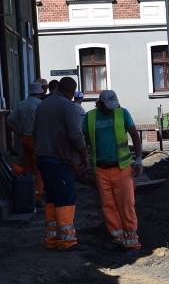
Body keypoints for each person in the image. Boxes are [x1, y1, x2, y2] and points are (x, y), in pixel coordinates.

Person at [33, 76, 89, 251]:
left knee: (51, 198)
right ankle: (66, 241)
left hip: (42, 158)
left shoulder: (43, 105)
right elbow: (75, 134)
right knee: (65, 198)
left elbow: (34, 132)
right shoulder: (68, 106)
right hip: (59, 160)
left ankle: (52, 239)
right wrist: (84, 153)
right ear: (72, 92)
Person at [83, 90, 143, 250]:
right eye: (108, 106)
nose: (111, 109)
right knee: (107, 205)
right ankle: (118, 237)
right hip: (101, 169)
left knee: (126, 204)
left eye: (113, 106)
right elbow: (85, 141)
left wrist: (138, 159)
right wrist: (85, 162)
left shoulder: (122, 113)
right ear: (100, 104)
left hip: (122, 168)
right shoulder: (90, 117)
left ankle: (131, 239)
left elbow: (135, 136)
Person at [6, 81, 45, 203]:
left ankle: (28, 194)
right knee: (38, 169)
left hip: (24, 138)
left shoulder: (22, 104)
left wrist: (18, 133)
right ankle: (37, 196)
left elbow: (9, 120)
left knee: (28, 168)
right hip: (37, 139)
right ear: (40, 92)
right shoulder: (41, 105)